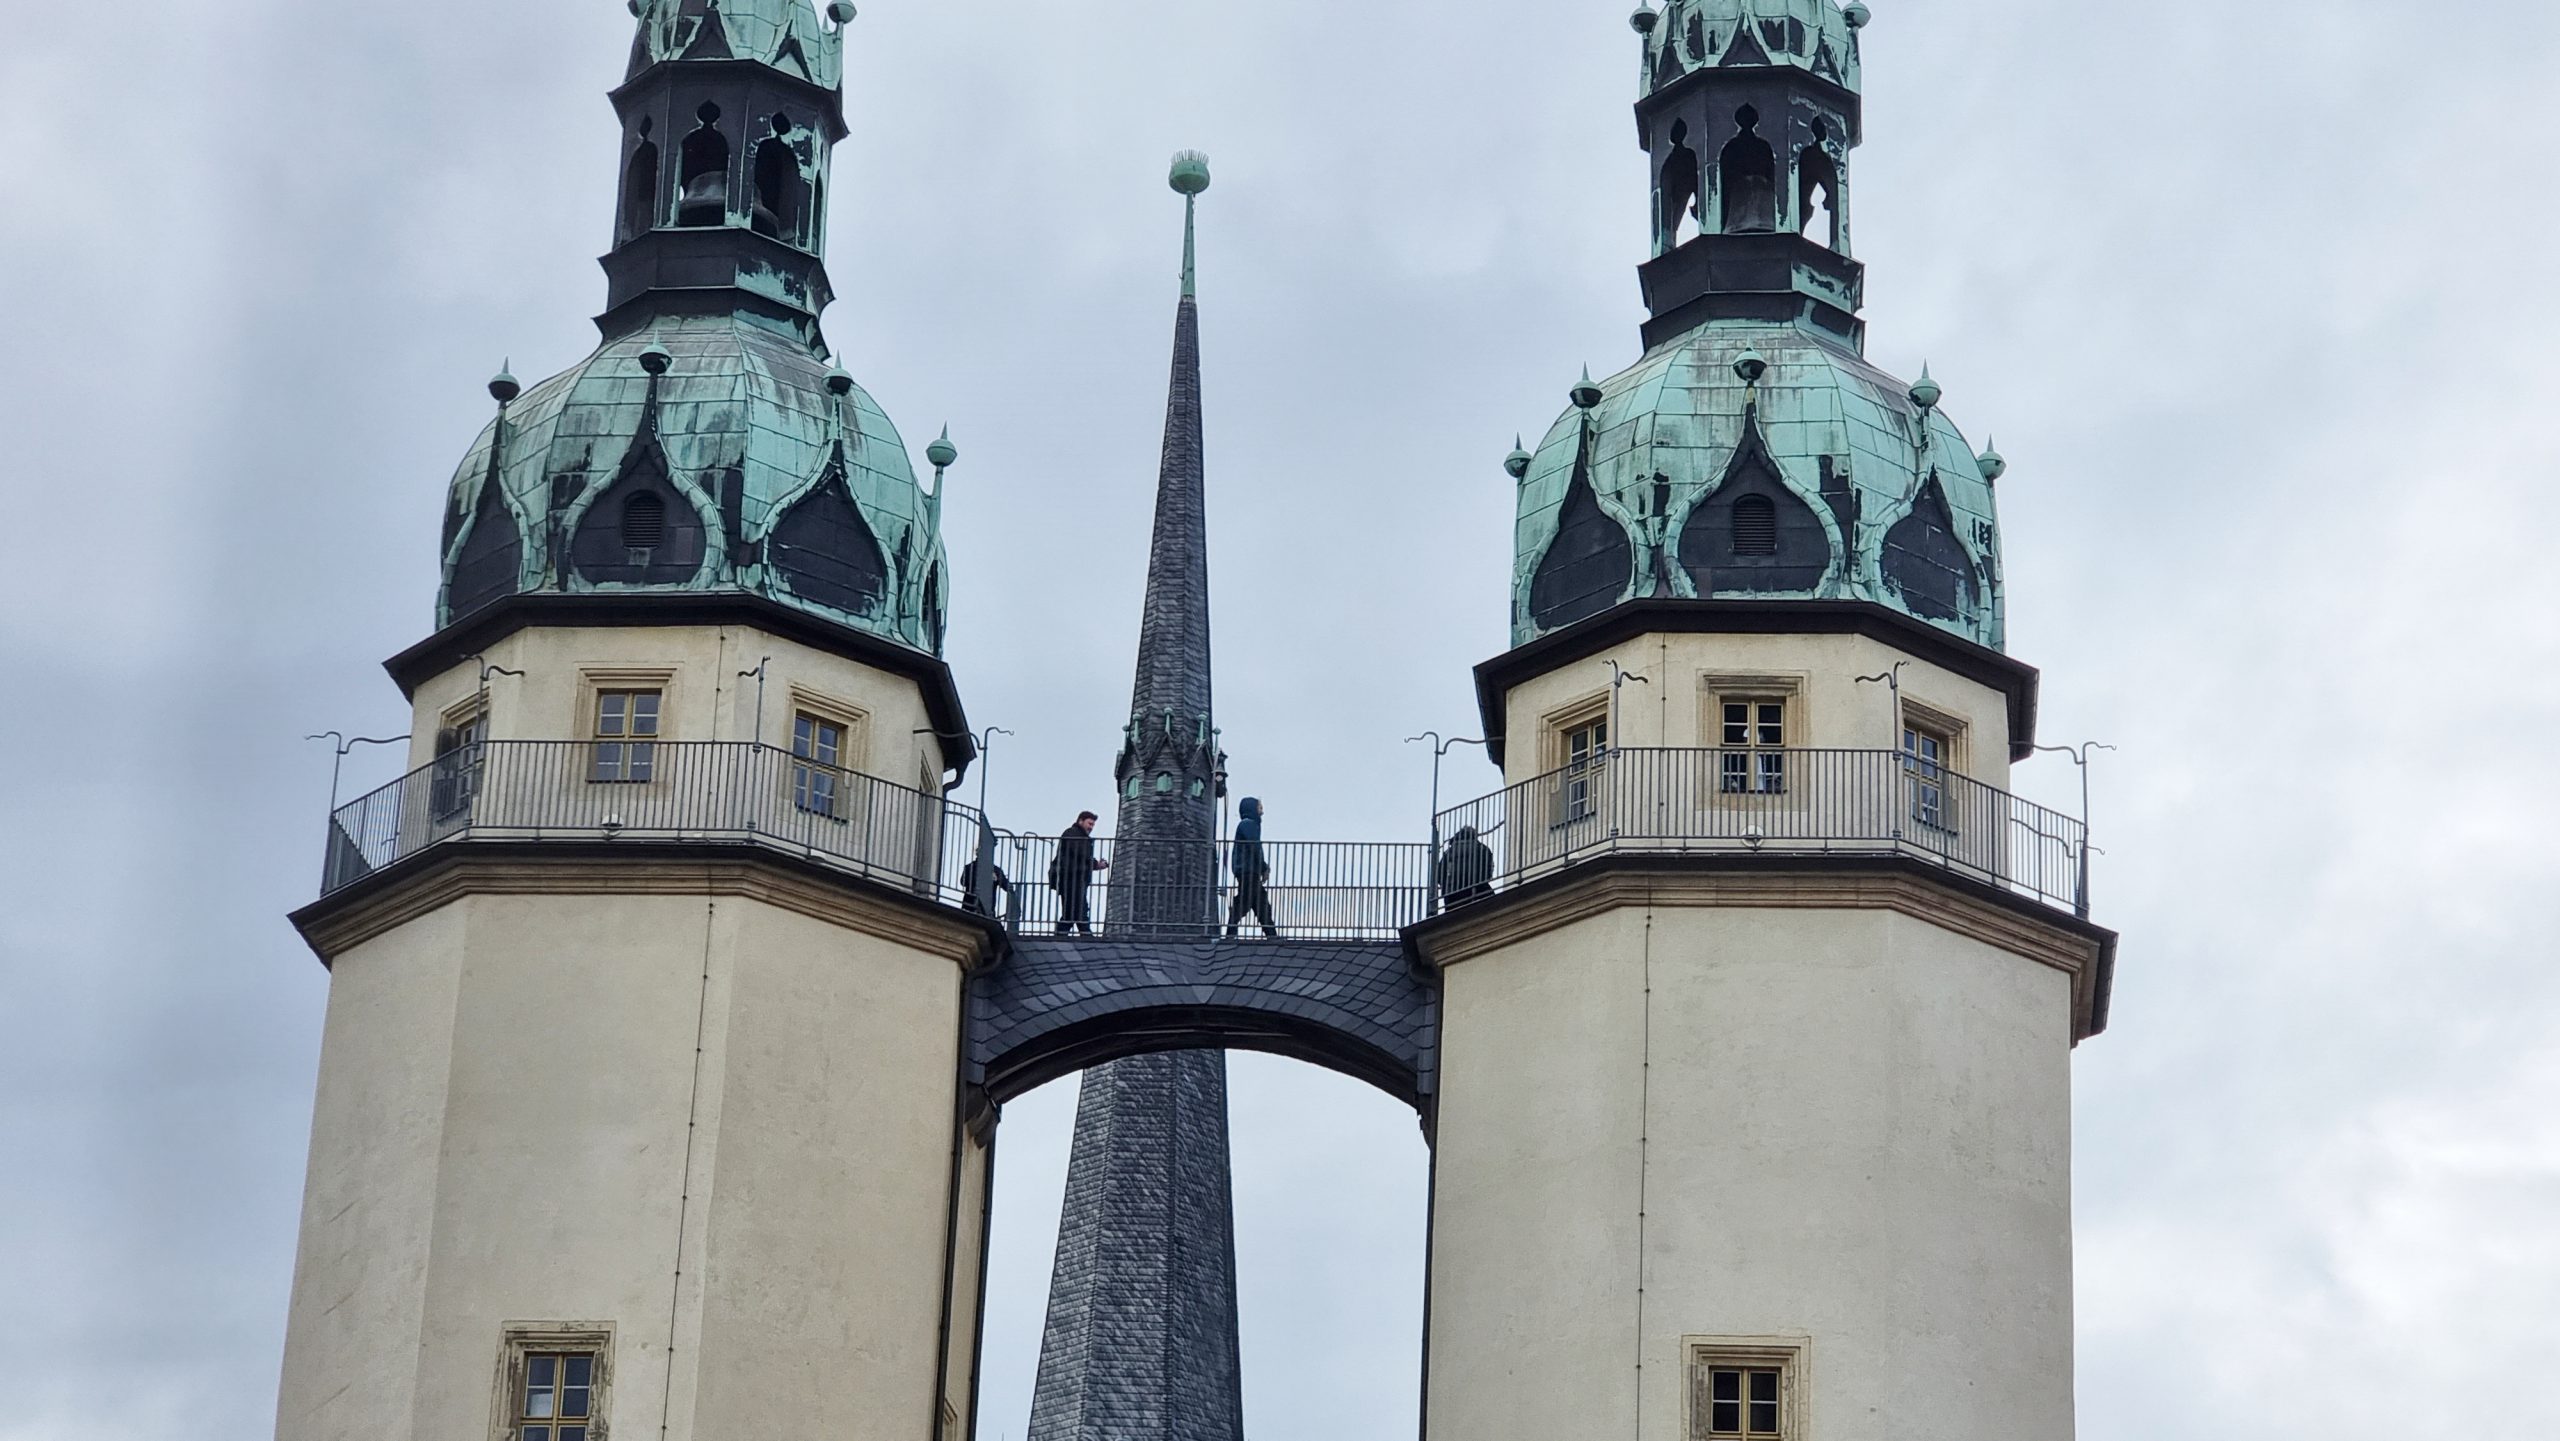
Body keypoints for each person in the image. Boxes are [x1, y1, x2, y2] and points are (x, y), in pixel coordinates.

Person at [1224, 796, 1278, 939]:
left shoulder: (1247, 825)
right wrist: (1263, 867)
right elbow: (1254, 846)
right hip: (1248, 870)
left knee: (1258, 901)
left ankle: (1270, 933)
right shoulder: (1249, 825)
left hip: (1247, 870)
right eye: (1259, 807)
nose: (1262, 812)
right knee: (1248, 901)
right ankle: (1270, 934)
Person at [1049, 811, 1107, 936]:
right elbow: (1080, 854)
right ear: (1081, 821)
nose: (1091, 827)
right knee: (1076, 908)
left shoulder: (1076, 835)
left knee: (1073, 910)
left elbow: (1081, 857)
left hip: (1073, 878)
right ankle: (1083, 933)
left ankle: (1067, 932)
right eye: (1089, 823)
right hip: (1071, 878)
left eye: (1093, 825)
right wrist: (1096, 864)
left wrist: (1094, 864)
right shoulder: (1072, 833)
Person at [1437, 824, 1495, 908]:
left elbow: (1439, 875)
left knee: (1453, 916)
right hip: (1477, 888)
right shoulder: (1482, 848)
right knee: (1493, 905)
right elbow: (1488, 869)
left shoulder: (1448, 852)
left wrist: (1447, 885)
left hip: (1452, 893)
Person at [960, 853, 1012, 918]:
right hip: (985, 909)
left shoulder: (970, 867)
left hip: (970, 906)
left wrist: (997, 878)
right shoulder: (995, 869)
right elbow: (1008, 886)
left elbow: (963, 882)